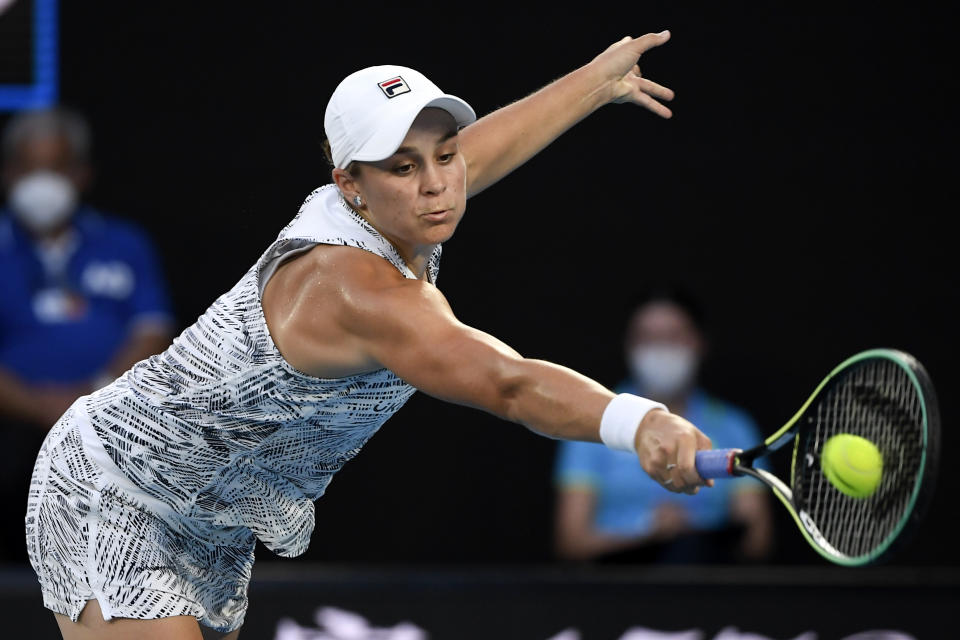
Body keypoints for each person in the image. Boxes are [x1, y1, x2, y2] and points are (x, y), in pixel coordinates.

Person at [26, 31, 712, 640]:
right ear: (348, 183)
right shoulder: (357, 289)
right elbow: (508, 381)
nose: (439, 185)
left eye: (445, 156)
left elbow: (486, 148)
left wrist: (598, 81)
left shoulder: (406, 204)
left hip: (211, 513)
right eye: (404, 167)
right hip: (113, 488)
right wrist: (637, 419)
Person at [0, 106, 174, 563]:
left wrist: (91, 400)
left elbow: (152, 331)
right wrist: (39, 406)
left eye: (55, 168)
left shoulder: (125, 243)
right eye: (28, 168)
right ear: (7, 173)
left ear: (80, 174)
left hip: (107, 421)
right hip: (13, 421)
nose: (41, 183)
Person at [553, 287, 774, 564]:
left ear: (699, 342)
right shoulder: (590, 422)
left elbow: (757, 540)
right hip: (616, 594)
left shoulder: (734, 426)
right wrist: (649, 534)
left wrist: (690, 537)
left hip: (706, 589)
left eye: (673, 336)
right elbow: (571, 541)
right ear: (629, 345)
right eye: (648, 338)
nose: (660, 349)